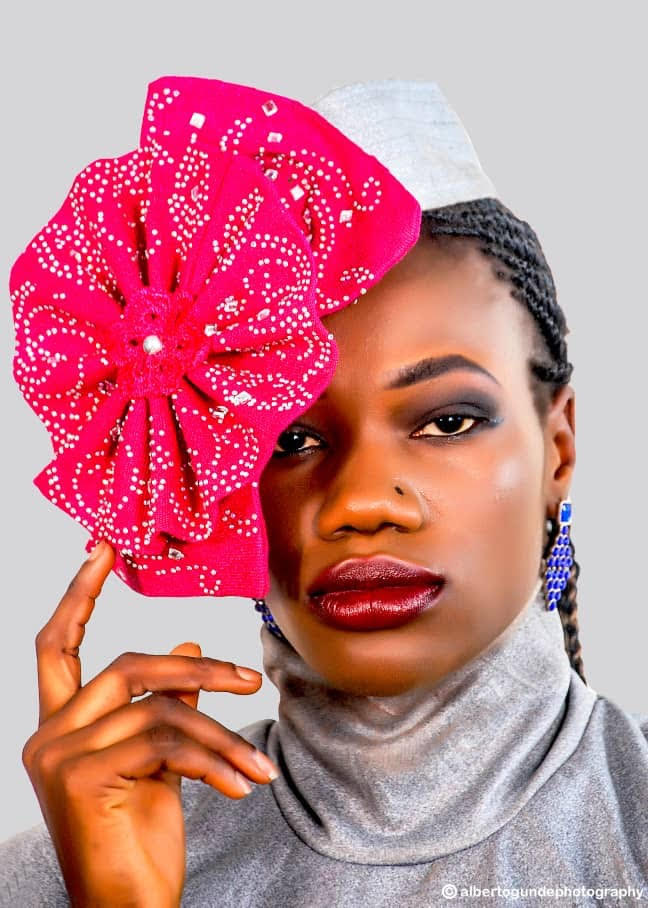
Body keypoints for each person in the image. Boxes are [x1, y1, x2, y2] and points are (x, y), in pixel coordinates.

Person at [2, 78, 647, 907]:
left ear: (558, 449)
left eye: (447, 421)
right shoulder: (58, 877)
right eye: (289, 440)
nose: (362, 503)